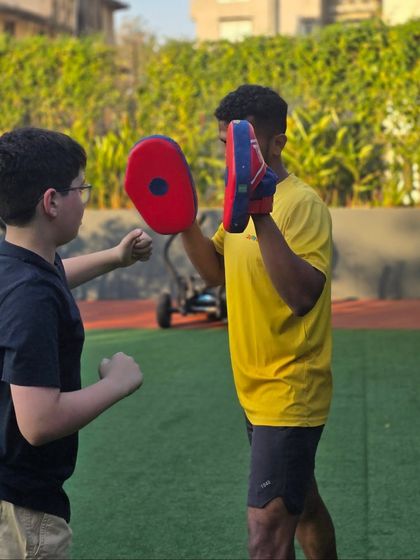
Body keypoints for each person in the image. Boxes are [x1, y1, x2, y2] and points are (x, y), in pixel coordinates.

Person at [181, 85, 338, 560]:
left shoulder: (300, 204)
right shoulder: (237, 206)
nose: (232, 159)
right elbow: (215, 271)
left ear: (276, 145)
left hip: (289, 390)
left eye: (244, 147)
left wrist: (261, 213)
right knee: (302, 506)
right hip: (253, 387)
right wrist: (182, 220)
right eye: (227, 147)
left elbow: (302, 296)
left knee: (265, 536)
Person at [0, 127, 152, 559]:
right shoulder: (31, 295)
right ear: (51, 202)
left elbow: (49, 276)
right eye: (80, 188)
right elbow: (40, 422)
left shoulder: (14, 264)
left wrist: (114, 258)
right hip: (25, 510)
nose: (84, 199)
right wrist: (117, 383)